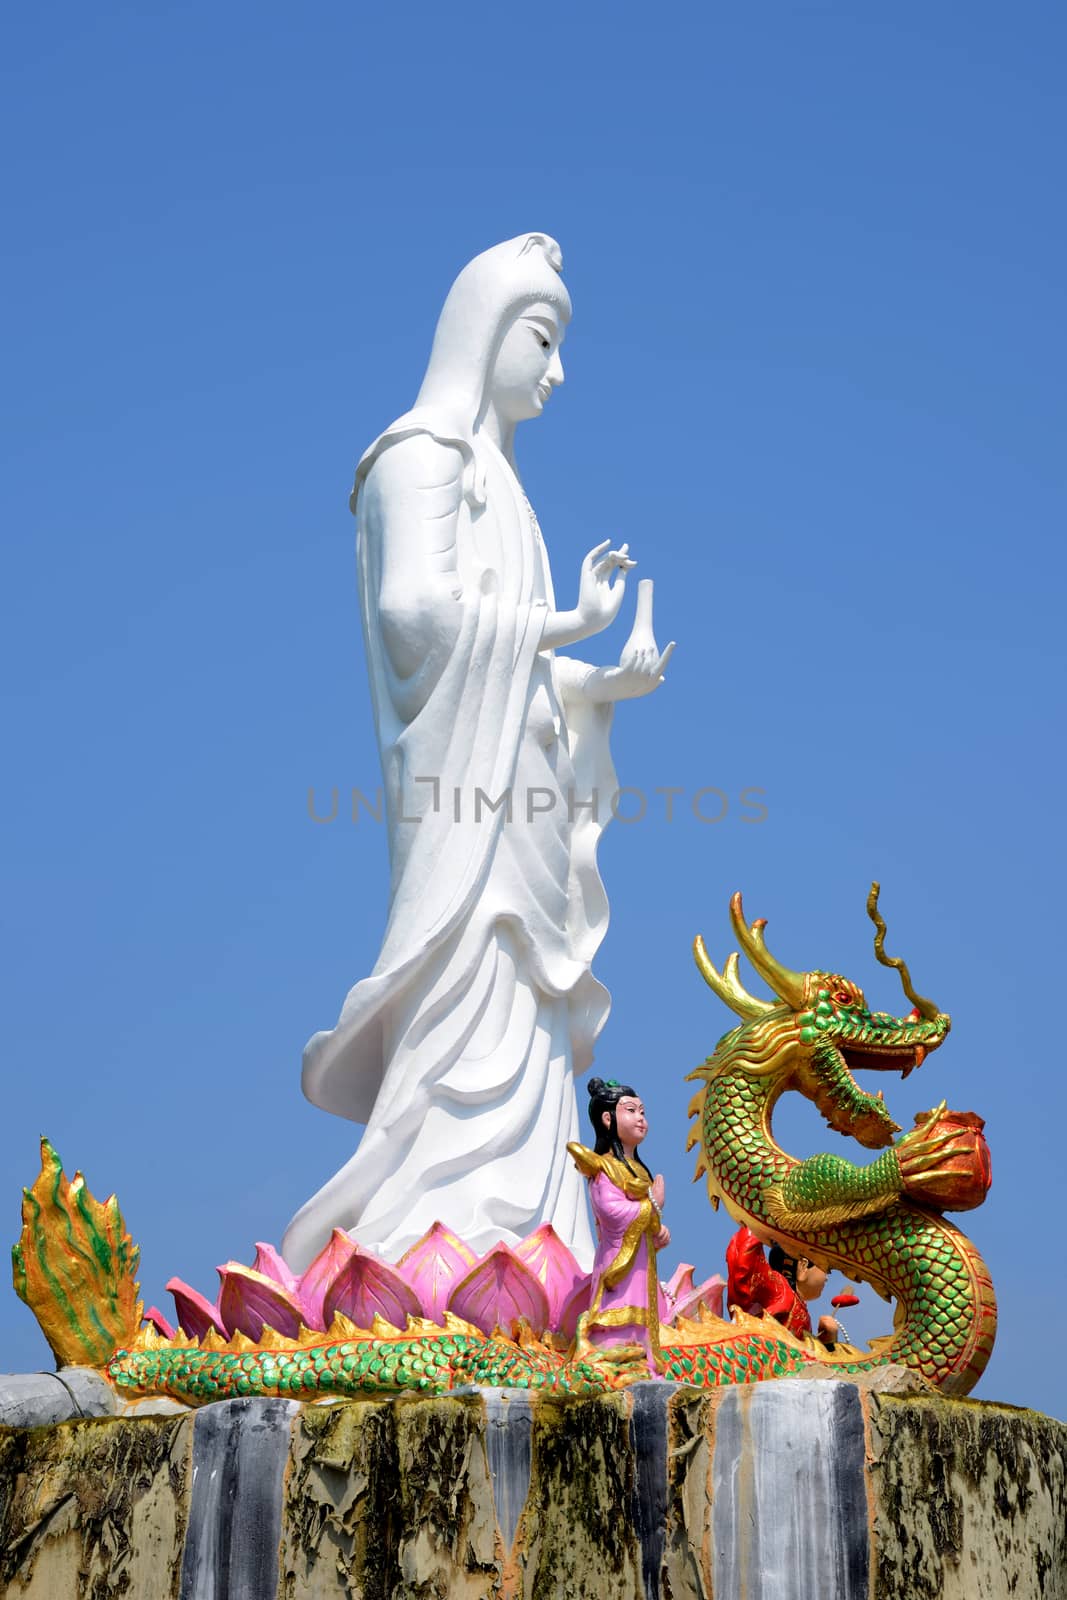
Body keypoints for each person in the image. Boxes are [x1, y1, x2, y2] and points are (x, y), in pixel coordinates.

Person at [282, 235, 673, 1273]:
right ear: (483, 332)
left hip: (527, 796)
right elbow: (417, 613)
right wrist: (556, 622)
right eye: (540, 341)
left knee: (533, 1000)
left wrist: (599, 679)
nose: (555, 371)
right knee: (473, 985)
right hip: (464, 797)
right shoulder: (419, 456)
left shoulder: (504, 481)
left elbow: (530, 676)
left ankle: (537, 1227)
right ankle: (436, 1224)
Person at [567, 1078, 670, 1371]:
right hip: (617, 1261)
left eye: (642, 1111)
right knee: (619, 1311)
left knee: (645, 1312)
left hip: (641, 1262)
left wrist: (658, 1231)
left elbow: (646, 1218)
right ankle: (612, 1356)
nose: (641, 1118)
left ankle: (644, 1359)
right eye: (631, 1110)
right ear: (607, 1118)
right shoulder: (603, 1168)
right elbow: (611, 1212)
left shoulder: (639, 1169)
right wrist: (651, 1208)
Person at [725, 1226, 841, 1347]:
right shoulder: (780, 1289)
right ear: (803, 1266)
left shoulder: (803, 1312)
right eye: (826, 1269)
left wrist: (827, 1343)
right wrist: (760, 1226)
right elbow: (744, 1264)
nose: (827, 1277)